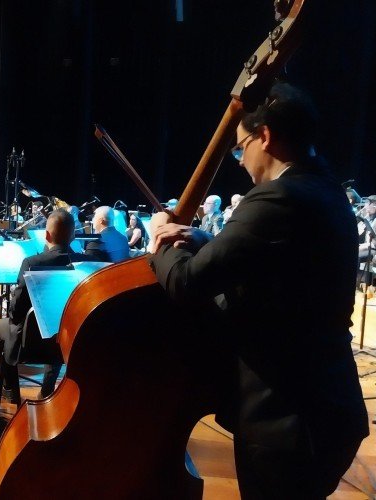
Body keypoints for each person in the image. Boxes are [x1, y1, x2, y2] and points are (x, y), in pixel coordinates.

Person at [148, 82, 368, 498]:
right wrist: (200, 237)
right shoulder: (324, 187)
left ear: (264, 136)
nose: (239, 160)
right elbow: (274, 265)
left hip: (287, 422)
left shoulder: (276, 198)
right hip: (326, 408)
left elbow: (186, 282)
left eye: (239, 147)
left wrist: (158, 240)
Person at [0, 208, 92, 403]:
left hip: (31, 343)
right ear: (73, 236)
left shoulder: (31, 262)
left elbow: (16, 312)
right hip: (69, 340)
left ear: (46, 234)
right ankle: (46, 389)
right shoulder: (86, 262)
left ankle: (11, 391)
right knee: (57, 325)